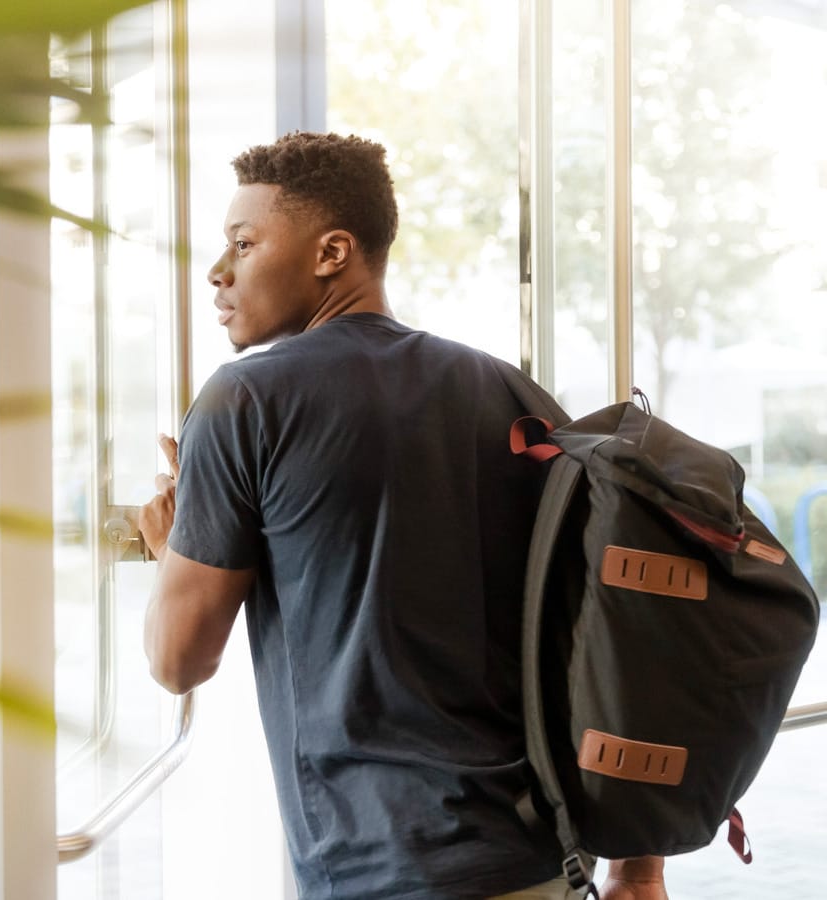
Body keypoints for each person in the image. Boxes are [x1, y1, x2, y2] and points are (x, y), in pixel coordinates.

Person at [136, 132, 668, 900]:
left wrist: (172, 547)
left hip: (383, 870)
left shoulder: (244, 401)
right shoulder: (514, 396)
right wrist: (639, 867)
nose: (218, 273)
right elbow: (609, 627)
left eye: (243, 244)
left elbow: (176, 661)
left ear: (332, 253)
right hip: (545, 858)